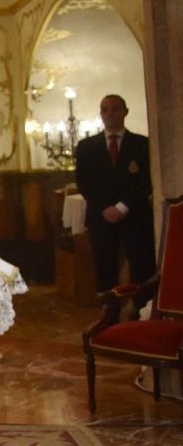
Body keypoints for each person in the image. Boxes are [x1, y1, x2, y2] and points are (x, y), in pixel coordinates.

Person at [73, 94, 155, 295]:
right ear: (101, 114)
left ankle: (141, 311)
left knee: (141, 266)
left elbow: (147, 181)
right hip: (101, 217)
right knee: (104, 268)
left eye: (115, 108)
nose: (110, 113)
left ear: (125, 112)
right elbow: (84, 183)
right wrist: (105, 208)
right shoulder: (86, 147)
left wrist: (121, 207)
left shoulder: (143, 144)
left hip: (134, 215)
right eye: (105, 109)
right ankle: (108, 313)